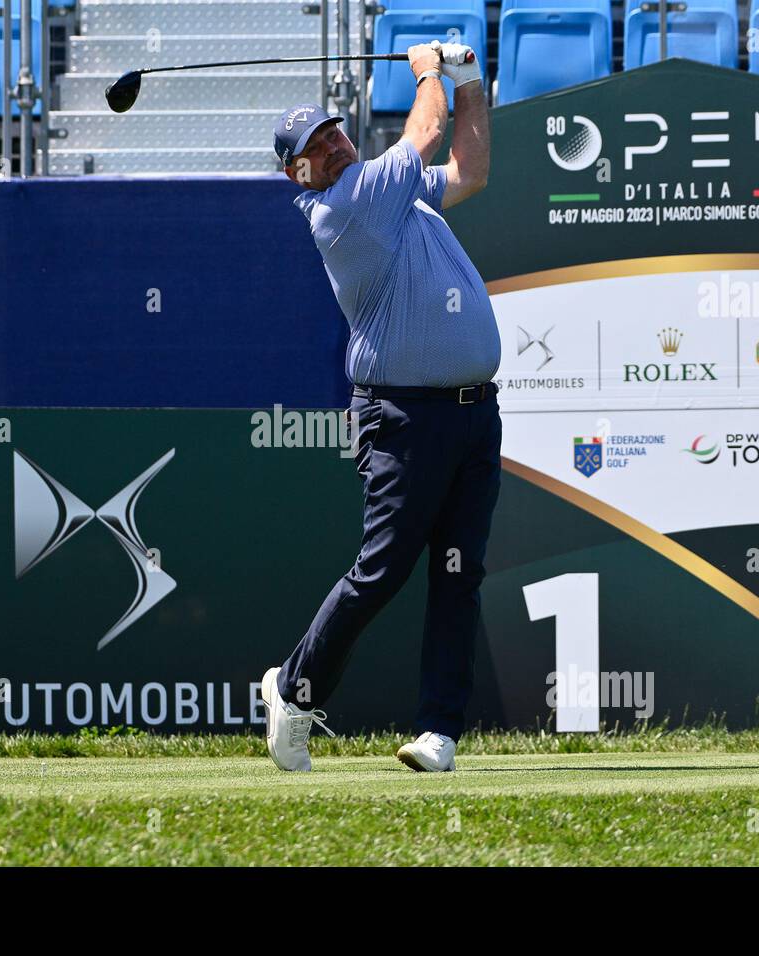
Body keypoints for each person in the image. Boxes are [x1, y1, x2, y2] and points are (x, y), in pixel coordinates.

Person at [261, 41, 501, 772]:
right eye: (314, 146)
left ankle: (439, 732)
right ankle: (295, 691)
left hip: (470, 415)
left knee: (459, 573)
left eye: (334, 132)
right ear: (296, 172)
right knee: (385, 567)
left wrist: (471, 88)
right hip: (402, 417)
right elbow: (424, 134)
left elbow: (468, 169)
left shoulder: (389, 191)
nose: (332, 145)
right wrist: (429, 70)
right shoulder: (346, 207)